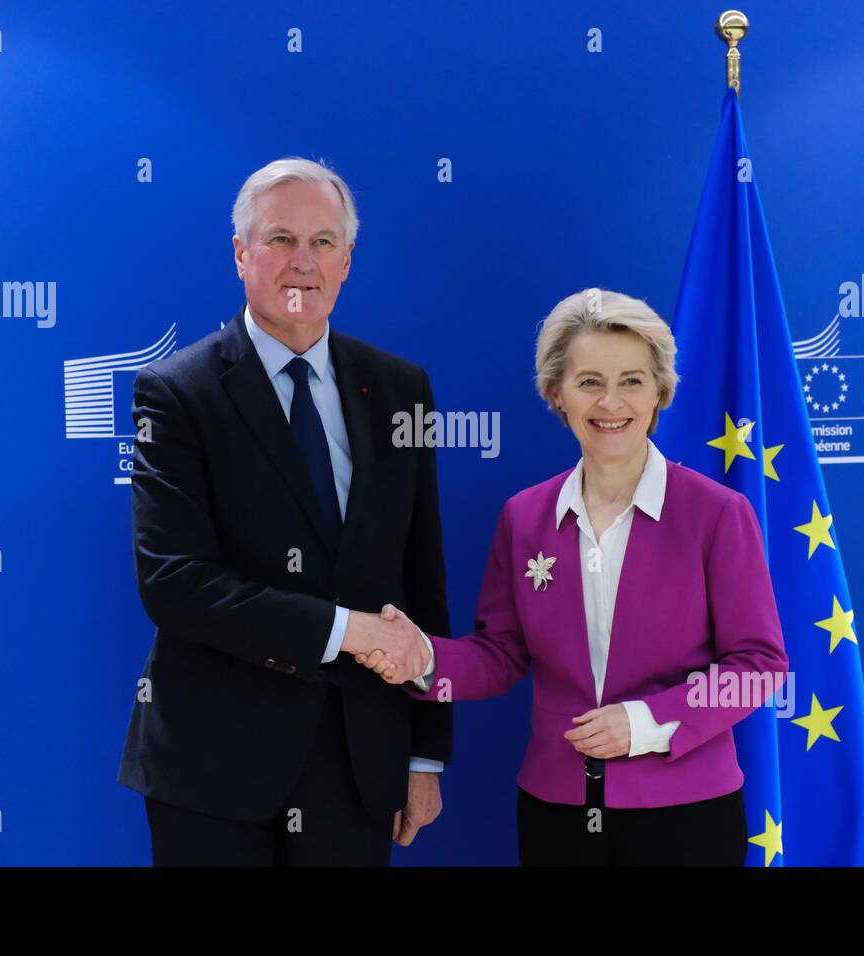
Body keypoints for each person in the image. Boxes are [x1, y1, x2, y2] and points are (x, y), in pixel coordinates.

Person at [359, 288, 789, 866]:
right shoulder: (524, 517)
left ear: (660, 390)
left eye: (632, 381)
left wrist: (644, 722)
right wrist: (425, 661)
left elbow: (758, 667)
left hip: (688, 817)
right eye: (589, 381)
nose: (611, 401)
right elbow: (499, 655)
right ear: (556, 393)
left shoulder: (717, 514)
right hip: (555, 813)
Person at [118, 157, 445, 866]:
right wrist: (344, 631)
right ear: (241, 253)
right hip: (213, 769)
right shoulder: (176, 395)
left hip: (359, 766)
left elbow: (422, 577)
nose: (304, 262)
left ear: (348, 260)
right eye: (280, 240)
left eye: (324, 242)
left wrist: (426, 754)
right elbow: (174, 582)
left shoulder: (400, 390)